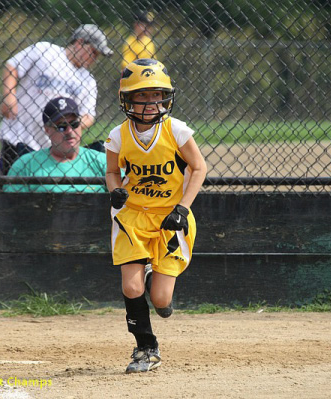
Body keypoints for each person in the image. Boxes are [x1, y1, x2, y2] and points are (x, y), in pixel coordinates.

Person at [104, 58, 207, 373]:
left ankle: (155, 276)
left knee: (162, 301)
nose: (151, 102)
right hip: (132, 216)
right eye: (143, 95)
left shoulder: (176, 130)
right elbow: (112, 172)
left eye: (157, 95)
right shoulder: (119, 135)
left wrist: (182, 208)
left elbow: (198, 168)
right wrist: (115, 190)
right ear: (127, 99)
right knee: (132, 289)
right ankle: (145, 348)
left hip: (169, 219)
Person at [0, 24, 113, 176]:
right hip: (18, 135)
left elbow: (88, 115)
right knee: (7, 185)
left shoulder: (88, 80)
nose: (95, 58)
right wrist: (9, 96)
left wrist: (65, 126)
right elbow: (13, 66)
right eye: (93, 52)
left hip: (51, 148)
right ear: (80, 42)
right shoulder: (45, 50)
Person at [4, 97, 106, 193]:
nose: (69, 131)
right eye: (61, 126)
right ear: (47, 130)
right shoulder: (25, 165)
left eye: (74, 124)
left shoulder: (102, 162)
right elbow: (10, 207)